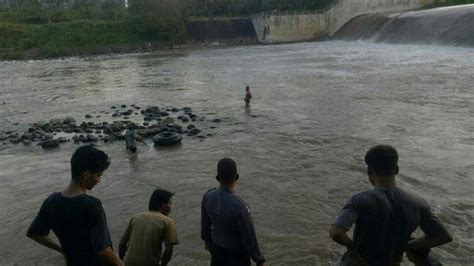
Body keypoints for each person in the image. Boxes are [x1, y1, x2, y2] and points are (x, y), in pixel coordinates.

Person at [329, 145, 453, 265]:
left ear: (369, 171)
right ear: (396, 169)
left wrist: (352, 249)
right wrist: (407, 246)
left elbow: (336, 232)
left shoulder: (360, 200)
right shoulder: (418, 203)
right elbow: (443, 236)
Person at [27, 145, 123, 266]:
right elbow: (103, 249)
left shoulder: (51, 201)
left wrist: (62, 250)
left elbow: (34, 233)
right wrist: (120, 263)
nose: (99, 181)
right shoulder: (92, 205)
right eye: (98, 175)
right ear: (87, 174)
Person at [201, 158, 265, 266]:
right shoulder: (240, 206)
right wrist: (259, 259)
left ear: (217, 178)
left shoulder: (208, 197)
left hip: (217, 252)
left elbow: (205, 230)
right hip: (237, 257)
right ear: (237, 177)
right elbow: (249, 237)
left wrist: (209, 245)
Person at [118, 189, 178, 266]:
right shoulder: (168, 222)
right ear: (163, 205)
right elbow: (168, 250)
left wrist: (122, 260)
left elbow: (122, 243)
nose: (170, 208)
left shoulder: (136, 217)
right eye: (170, 204)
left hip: (128, 262)